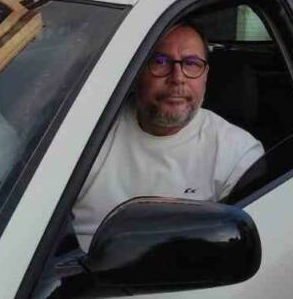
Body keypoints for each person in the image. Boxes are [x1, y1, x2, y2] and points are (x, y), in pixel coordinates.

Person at [71, 23, 264, 250]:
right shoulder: (86, 134)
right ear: (136, 71)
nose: (177, 78)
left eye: (191, 64)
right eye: (160, 62)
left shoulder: (237, 155)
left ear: (205, 76)